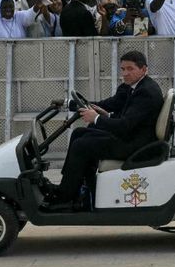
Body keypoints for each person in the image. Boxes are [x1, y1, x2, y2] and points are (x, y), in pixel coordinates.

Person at [51, 50, 164, 210]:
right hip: (133, 137)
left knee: (81, 146)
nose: (125, 73)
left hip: (136, 145)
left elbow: (125, 126)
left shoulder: (145, 92)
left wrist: (96, 118)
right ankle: (73, 184)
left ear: (143, 69)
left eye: (130, 69)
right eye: (123, 69)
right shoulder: (135, 87)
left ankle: (65, 197)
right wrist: (78, 106)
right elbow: (111, 105)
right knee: (79, 133)